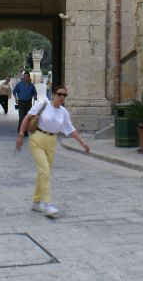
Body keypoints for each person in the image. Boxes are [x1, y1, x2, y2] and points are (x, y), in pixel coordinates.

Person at [15, 85, 90, 217]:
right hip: (37, 139)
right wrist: (21, 135)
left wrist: (82, 142)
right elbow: (27, 118)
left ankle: (36, 202)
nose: (62, 97)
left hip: (51, 142)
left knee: (44, 172)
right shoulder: (43, 104)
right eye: (59, 94)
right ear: (53, 94)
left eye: (64, 95)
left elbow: (70, 129)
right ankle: (47, 204)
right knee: (45, 171)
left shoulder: (63, 112)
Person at [13, 72, 37, 136]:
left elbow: (34, 93)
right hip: (21, 103)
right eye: (24, 77)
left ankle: (25, 132)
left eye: (27, 77)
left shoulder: (32, 85)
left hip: (29, 103)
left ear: (29, 77)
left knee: (27, 117)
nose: (25, 78)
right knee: (21, 117)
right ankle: (20, 131)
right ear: (23, 77)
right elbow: (14, 91)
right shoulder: (19, 84)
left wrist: (35, 96)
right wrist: (16, 98)